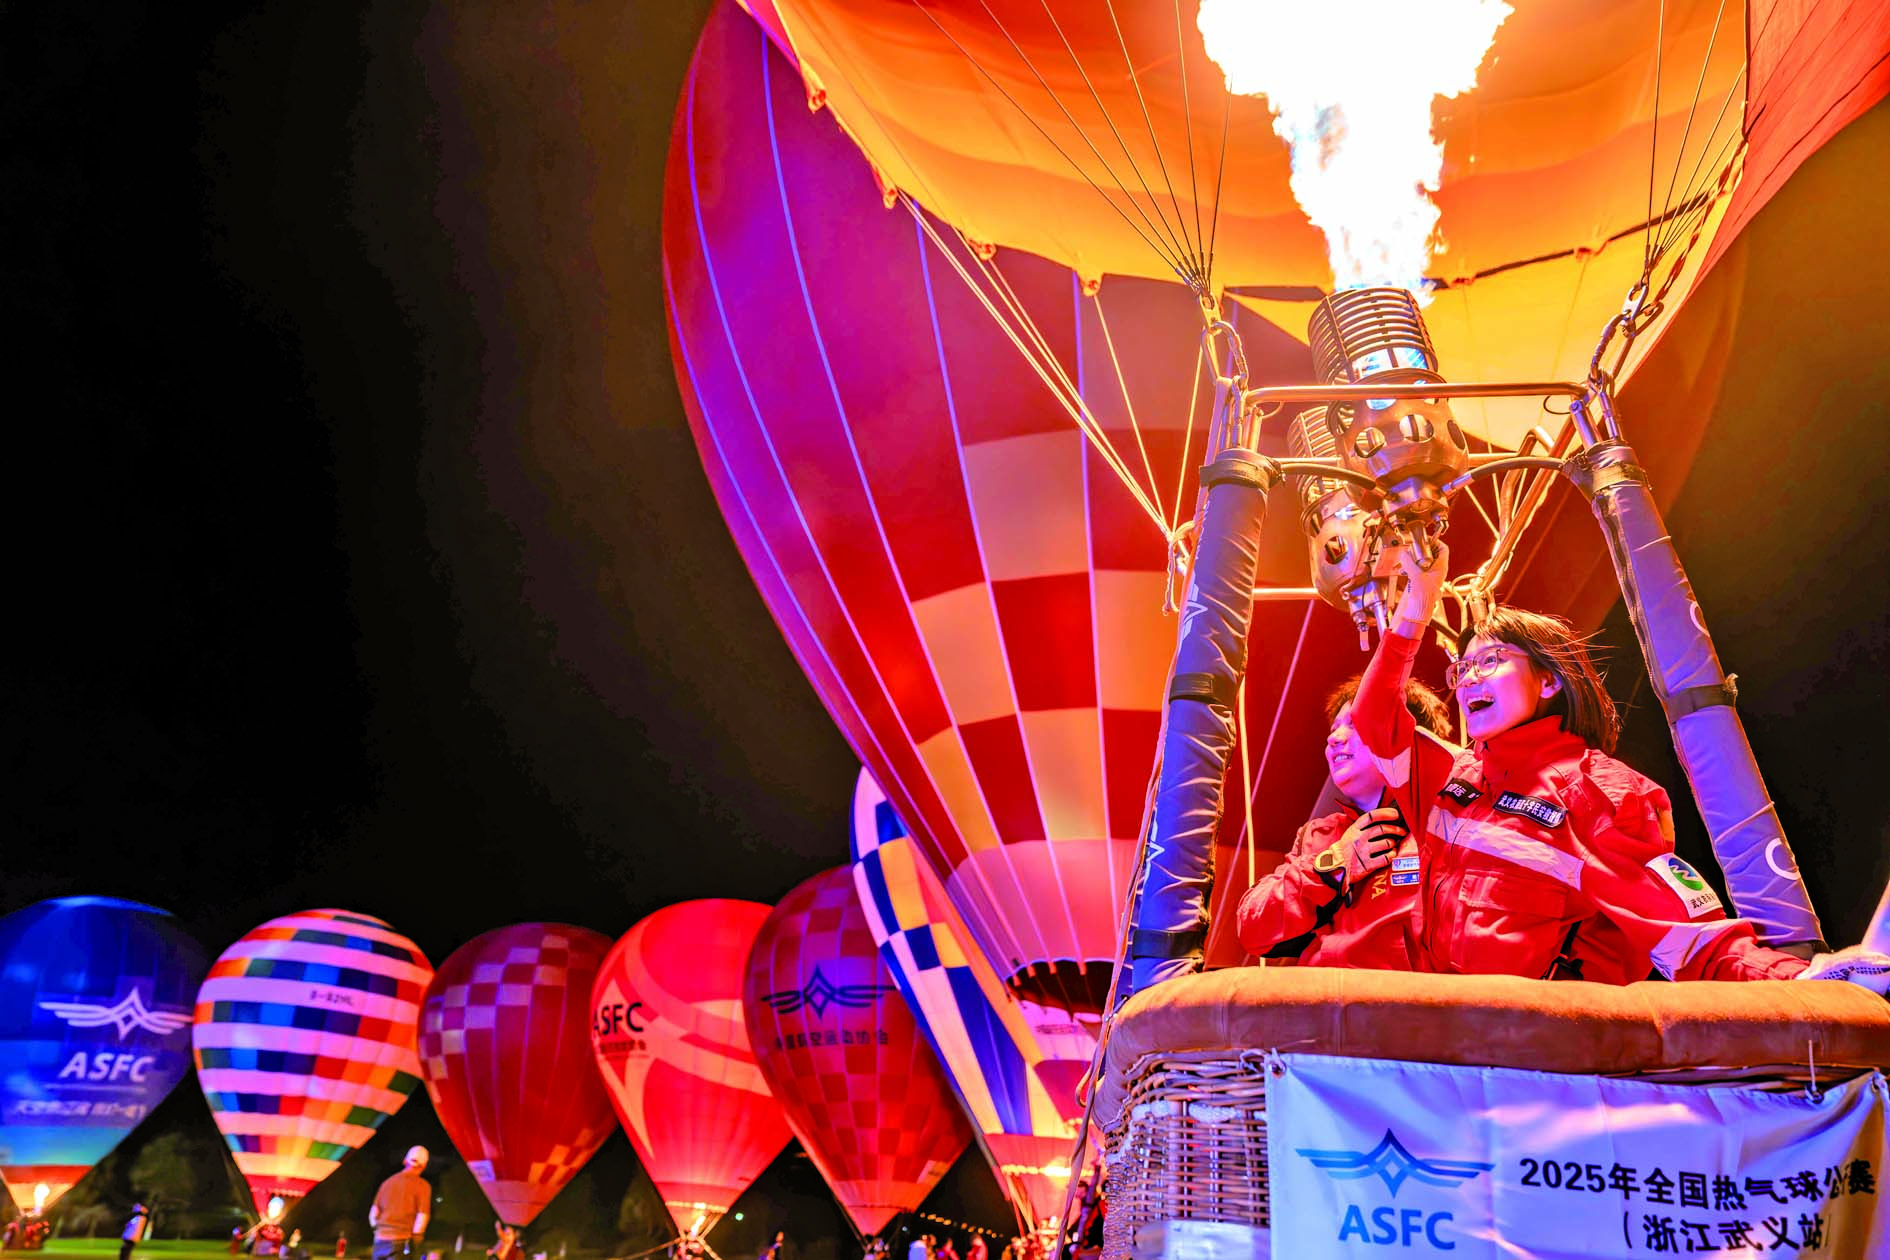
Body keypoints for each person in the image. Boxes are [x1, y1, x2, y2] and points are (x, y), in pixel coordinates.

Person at [1360, 545, 1885, 987]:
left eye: (1491, 660)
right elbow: (1370, 719)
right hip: (1431, 1040)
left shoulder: (1598, 792)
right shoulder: (1453, 777)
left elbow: (1685, 936)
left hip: (1530, 1056)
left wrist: (1803, 980)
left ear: (1549, 680)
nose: (1470, 679)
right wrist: (1415, 607)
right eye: (1463, 668)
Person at [1235, 672, 1455, 966]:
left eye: (1354, 724)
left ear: (1405, 736)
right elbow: (1252, 928)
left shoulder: (1448, 825)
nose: (1334, 738)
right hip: (1319, 992)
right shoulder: (1321, 835)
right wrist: (1334, 865)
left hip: (1405, 993)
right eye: (1334, 728)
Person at [369, 1146, 432, 1260]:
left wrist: (377, 1231)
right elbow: (422, 1216)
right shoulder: (423, 1186)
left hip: (379, 1241)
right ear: (424, 1166)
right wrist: (416, 1241)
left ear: (404, 1161)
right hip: (401, 1241)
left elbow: (373, 1214)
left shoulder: (387, 1183)